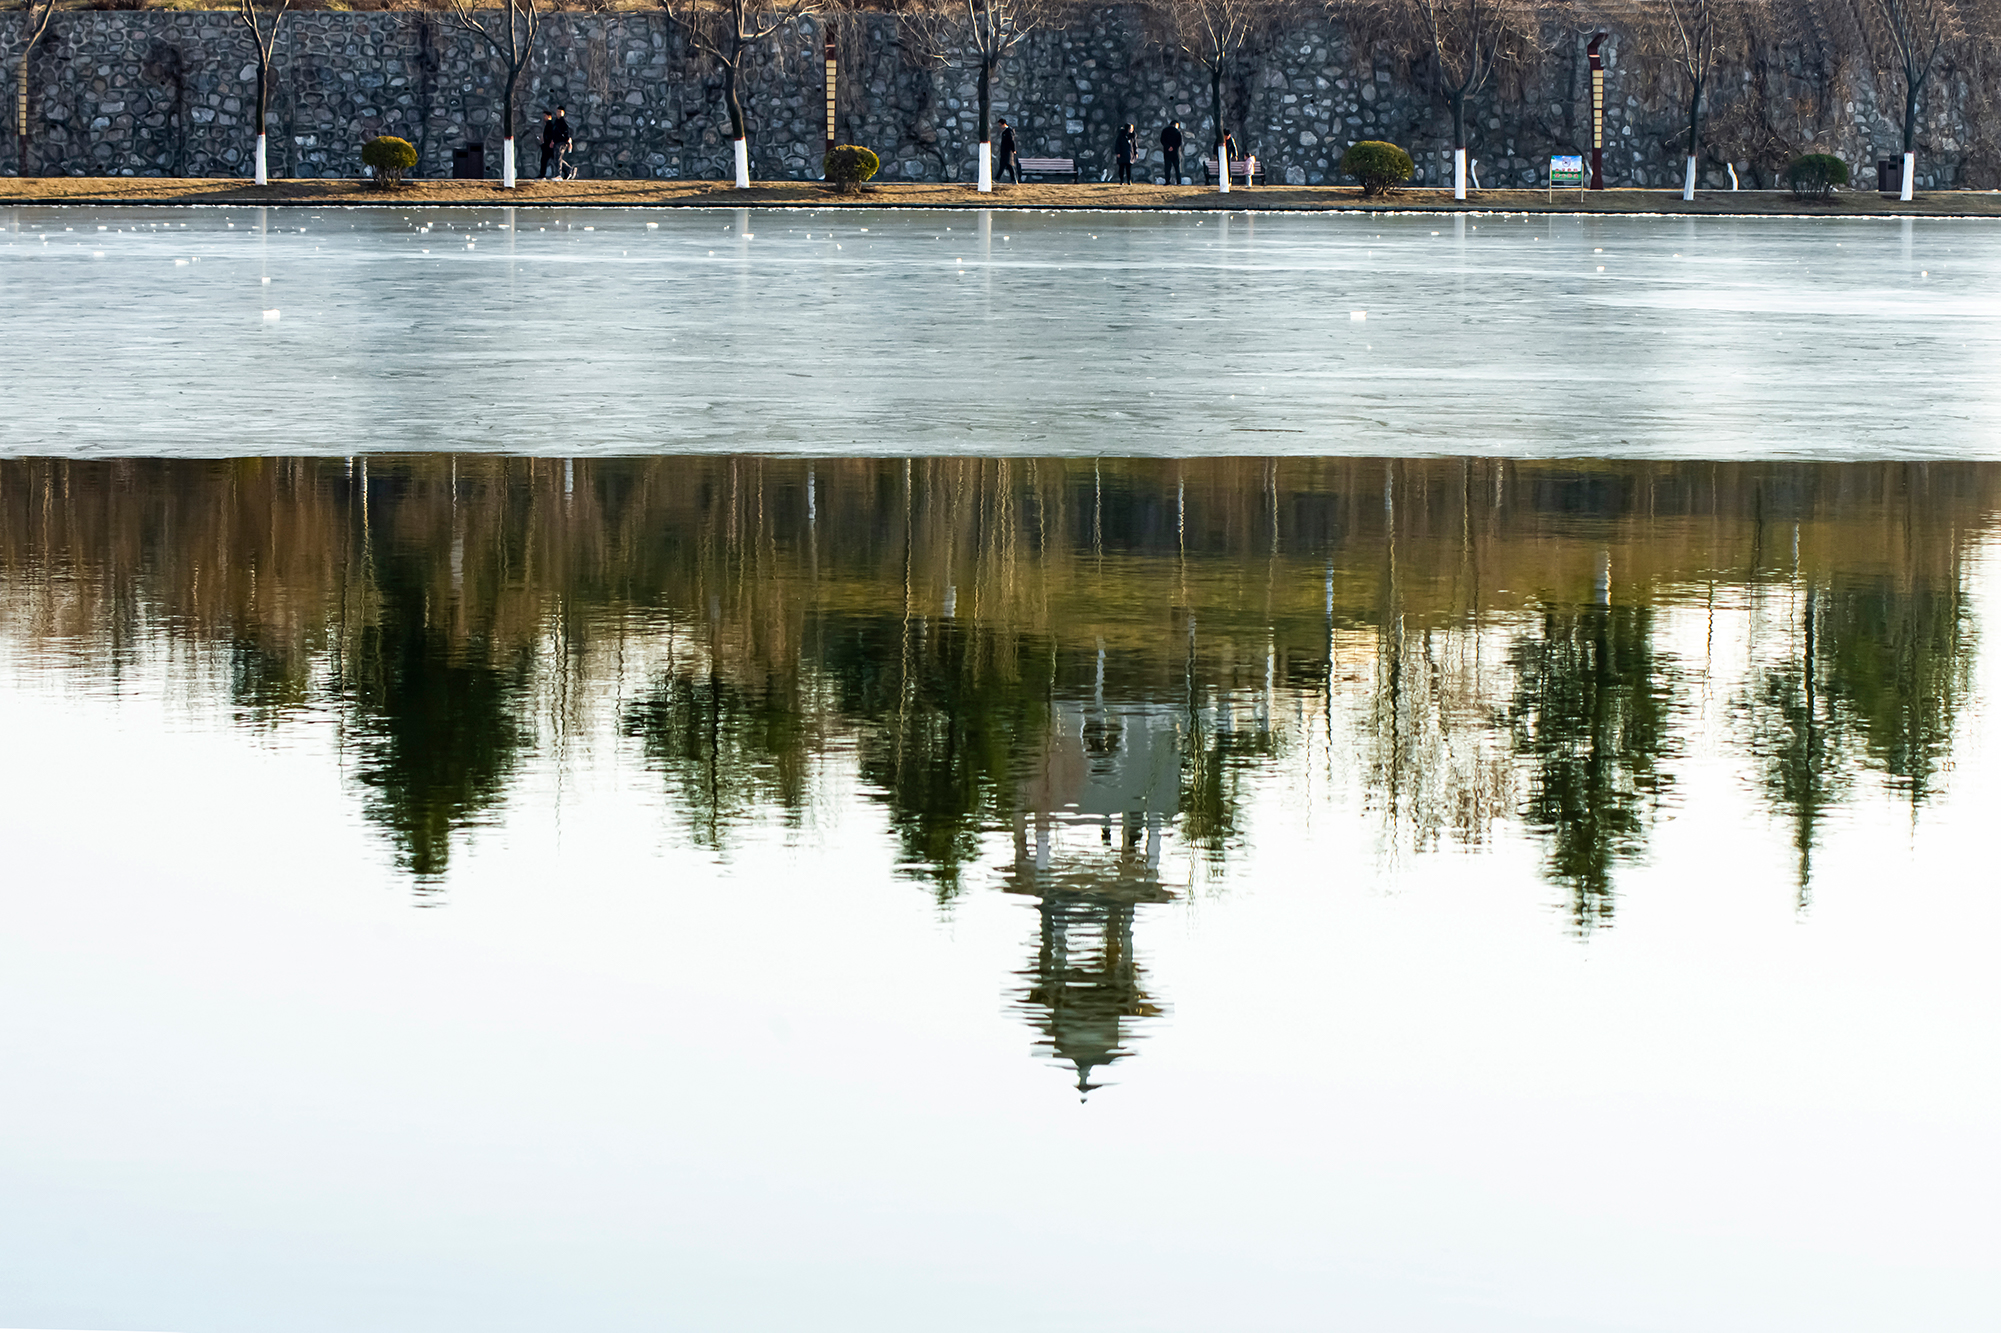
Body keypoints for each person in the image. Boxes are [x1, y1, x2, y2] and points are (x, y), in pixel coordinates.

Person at [549, 106, 575, 179]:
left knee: (558, 158)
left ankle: (558, 175)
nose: (558, 113)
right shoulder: (556, 122)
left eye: (560, 112)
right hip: (556, 142)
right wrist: (552, 140)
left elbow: (567, 131)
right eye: (557, 112)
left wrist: (568, 141)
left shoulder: (563, 122)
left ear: (563, 113)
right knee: (556, 158)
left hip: (562, 142)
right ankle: (569, 170)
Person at [996, 117, 1019, 184]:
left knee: (1007, 165)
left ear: (1004, 124)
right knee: (1005, 165)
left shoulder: (1008, 131)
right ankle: (1012, 179)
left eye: (1000, 125)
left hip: (1007, 151)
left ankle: (998, 178)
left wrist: (1013, 149)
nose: (1000, 127)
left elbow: (1011, 141)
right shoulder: (1005, 132)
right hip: (1004, 151)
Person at [1160, 120, 1183, 185]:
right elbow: (1179, 142)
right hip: (1175, 152)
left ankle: (1167, 181)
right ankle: (1178, 182)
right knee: (1177, 168)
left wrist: (1168, 147)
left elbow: (1162, 140)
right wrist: (1173, 147)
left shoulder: (1165, 131)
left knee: (1167, 168)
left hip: (1167, 152)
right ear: (1176, 125)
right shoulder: (1177, 132)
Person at [538, 112, 559, 179]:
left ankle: (542, 174)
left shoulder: (550, 124)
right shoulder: (548, 124)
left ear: (549, 116)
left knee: (553, 160)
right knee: (549, 160)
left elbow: (552, 134)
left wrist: (551, 142)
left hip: (549, 146)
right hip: (547, 145)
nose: (544, 117)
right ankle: (542, 174)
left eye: (545, 116)